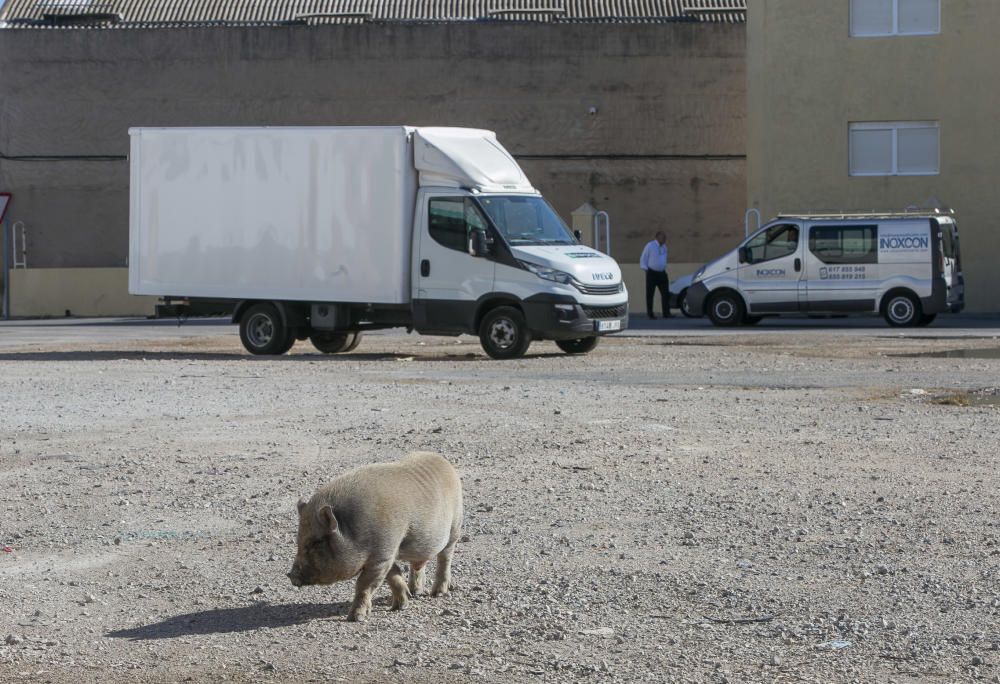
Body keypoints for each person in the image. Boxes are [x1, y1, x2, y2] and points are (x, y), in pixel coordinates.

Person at [640, 231, 670, 319]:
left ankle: (666, 313)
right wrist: (646, 270)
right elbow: (643, 258)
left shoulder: (664, 247)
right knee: (650, 294)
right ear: (657, 237)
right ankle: (650, 314)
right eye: (662, 237)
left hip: (662, 273)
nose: (664, 239)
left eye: (665, 237)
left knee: (665, 294)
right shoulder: (650, 245)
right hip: (652, 273)